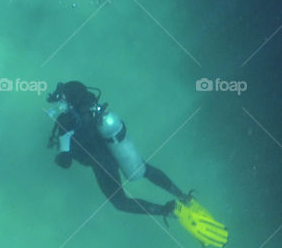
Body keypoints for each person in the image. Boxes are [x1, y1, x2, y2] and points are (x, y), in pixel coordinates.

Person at [46, 81, 228, 246]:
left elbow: (66, 161)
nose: (59, 103)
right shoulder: (92, 107)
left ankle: (169, 210)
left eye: (61, 98)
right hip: (115, 147)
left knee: (120, 202)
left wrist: (60, 156)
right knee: (144, 170)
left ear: (69, 99)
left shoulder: (66, 121)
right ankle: (184, 197)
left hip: (101, 162)